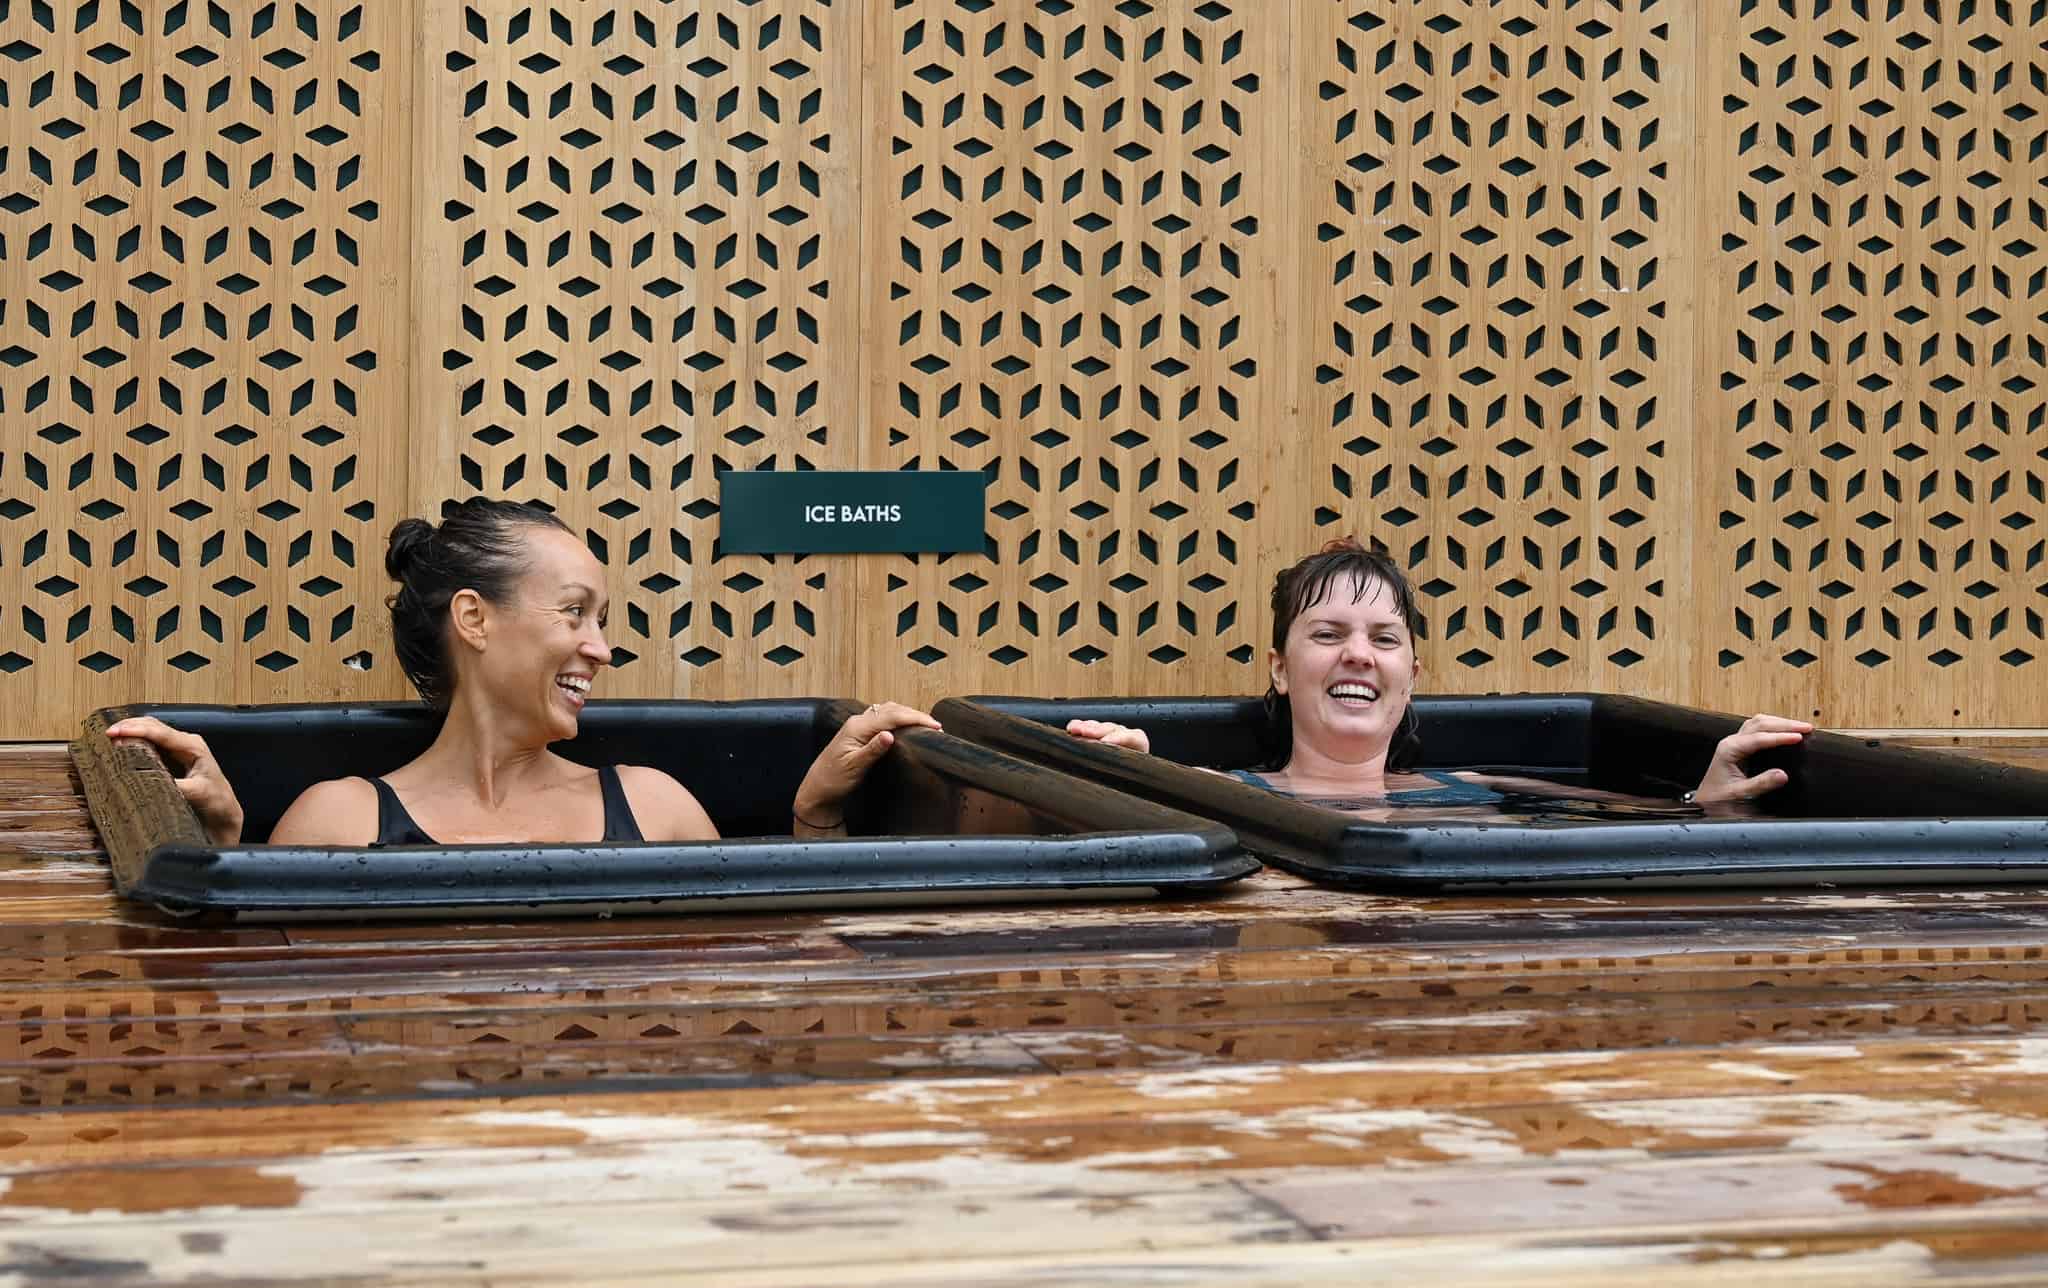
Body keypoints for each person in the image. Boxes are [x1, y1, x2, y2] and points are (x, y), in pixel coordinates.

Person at [107, 498, 938, 846]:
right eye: (574, 612)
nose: (601, 647)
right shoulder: (339, 822)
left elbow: (772, 985)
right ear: (474, 618)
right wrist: (214, 852)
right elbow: (259, 1023)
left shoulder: (654, 807)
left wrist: (815, 813)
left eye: (602, 621)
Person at [1066, 537, 1810, 812]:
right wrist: (1134, 782)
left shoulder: (1481, 790)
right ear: (1280, 670)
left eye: (1383, 638)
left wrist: (1706, 801)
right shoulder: (1221, 795)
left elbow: (1636, 826)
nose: (1358, 654)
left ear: (1411, 674)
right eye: (1327, 634)